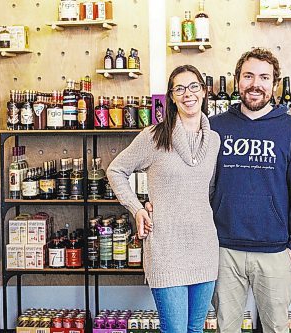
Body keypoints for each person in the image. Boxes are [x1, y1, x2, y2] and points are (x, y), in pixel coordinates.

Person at [106, 64, 221, 333]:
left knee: (196, 329)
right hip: (166, 249)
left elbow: (211, 190)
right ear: (171, 97)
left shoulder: (214, 140)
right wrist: (137, 208)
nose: (187, 94)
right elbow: (116, 170)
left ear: (203, 92)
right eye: (179, 89)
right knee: (176, 331)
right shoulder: (154, 137)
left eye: (193, 86)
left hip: (204, 247)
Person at [209, 48, 291, 332]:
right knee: (226, 328)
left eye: (264, 77)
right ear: (237, 81)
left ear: (274, 85)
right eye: (248, 76)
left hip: (276, 252)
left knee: (275, 328)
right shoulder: (214, 128)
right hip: (224, 249)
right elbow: (198, 183)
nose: (255, 84)